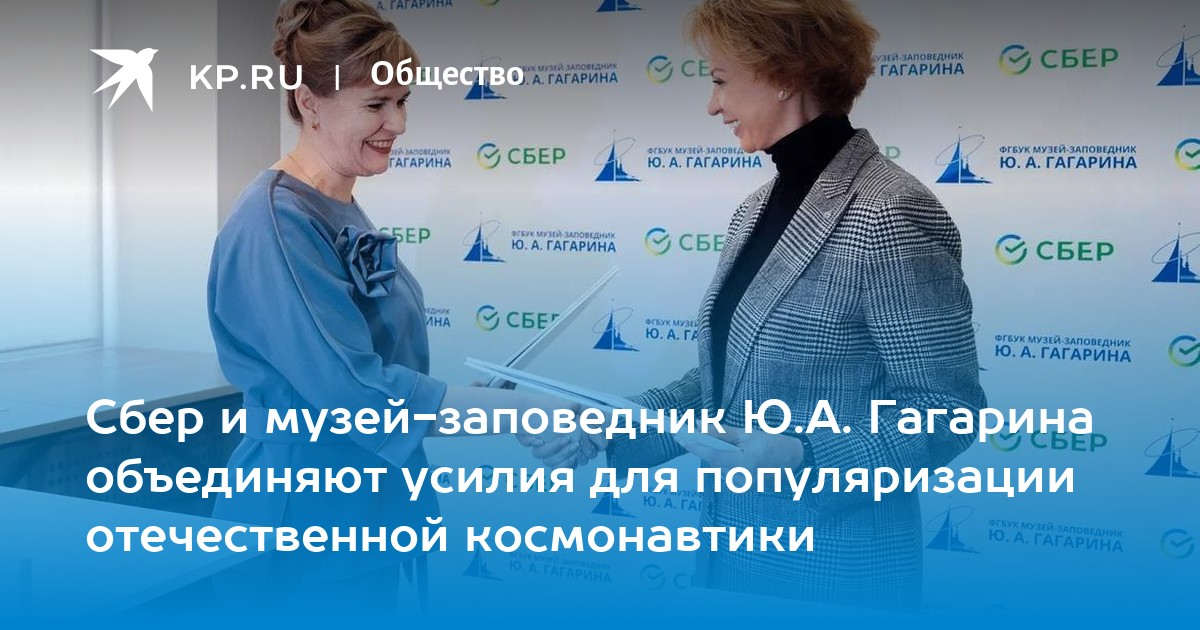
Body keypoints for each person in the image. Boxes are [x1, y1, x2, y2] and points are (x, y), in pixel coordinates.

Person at [523, 0, 986, 612]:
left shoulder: (889, 211)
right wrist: (612, 425)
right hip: (731, 555)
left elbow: (947, 412)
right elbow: (726, 382)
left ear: (784, 74)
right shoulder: (754, 209)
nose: (712, 105)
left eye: (720, 81)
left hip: (835, 571)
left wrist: (805, 456)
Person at [205, 0, 586, 614]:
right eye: (377, 105)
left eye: (403, 102)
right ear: (309, 102)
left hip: (364, 519)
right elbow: (355, 393)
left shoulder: (336, 206)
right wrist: (522, 413)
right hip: (304, 535)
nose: (399, 123)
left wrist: (476, 401)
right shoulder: (276, 222)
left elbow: (375, 364)